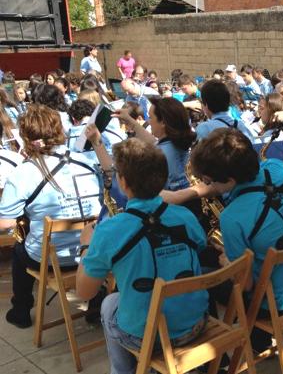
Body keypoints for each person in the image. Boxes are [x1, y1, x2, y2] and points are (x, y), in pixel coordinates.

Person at [76, 138, 208, 374]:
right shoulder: (185, 217)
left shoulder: (109, 230)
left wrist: (86, 246)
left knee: (109, 303)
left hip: (147, 336)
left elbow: (84, 293)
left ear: (123, 182)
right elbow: (199, 246)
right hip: (195, 324)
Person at [189, 128, 283, 352]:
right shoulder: (276, 167)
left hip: (278, 302)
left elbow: (245, 284)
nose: (207, 186)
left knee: (202, 274)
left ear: (230, 179)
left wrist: (229, 264)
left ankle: (235, 348)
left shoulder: (232, 218)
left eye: (209, 181)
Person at [0, 104, 101, 328]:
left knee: (19, 250)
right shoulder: (87, 161)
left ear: (25, 137)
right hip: (92, 251)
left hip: (49, 260)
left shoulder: (24, 172)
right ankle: (96, 302)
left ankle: (21, 309)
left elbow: (6, 222)